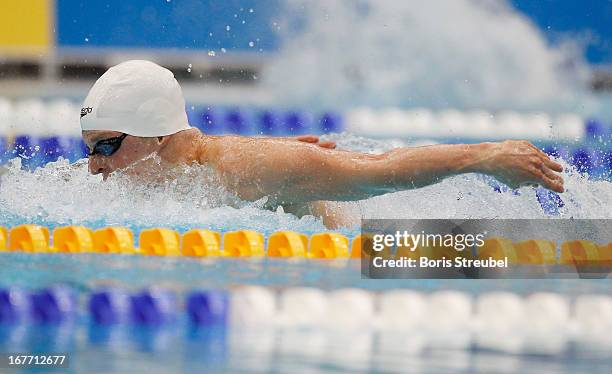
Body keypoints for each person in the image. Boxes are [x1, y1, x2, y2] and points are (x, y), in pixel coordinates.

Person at [81, 60, 564, 227]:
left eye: (105, 147)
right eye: (88, 149)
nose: (93, 168)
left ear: (157, 134)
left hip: (363, 250)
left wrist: (486, 156)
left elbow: (380, 169)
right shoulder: (167, 170)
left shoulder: (243, 167)